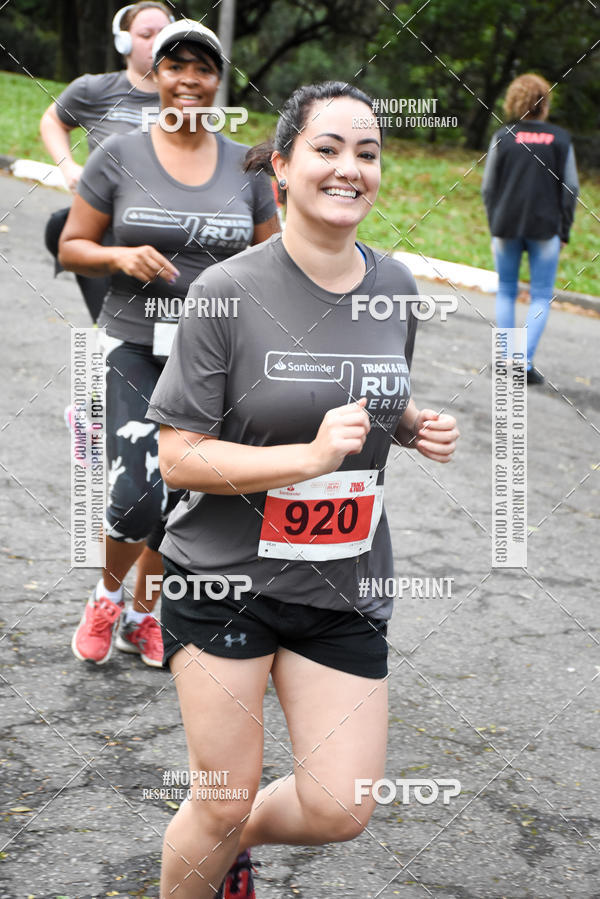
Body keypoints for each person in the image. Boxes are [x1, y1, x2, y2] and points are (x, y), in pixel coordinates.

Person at [146, 81, 459, 898]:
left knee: (341, 806)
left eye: (368, 152)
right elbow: (178, 457)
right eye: (327, 148)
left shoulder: (395, 283)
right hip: (226, 580)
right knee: (218, 798)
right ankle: (216, 838)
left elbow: (365, 391)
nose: (349, 167)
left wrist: (408, 421)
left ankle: (229, 841)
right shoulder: (225, 292)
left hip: (341, 579)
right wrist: (307, 458)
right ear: (282, 165)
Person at [59, 20, 280, 667]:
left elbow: (275, 258)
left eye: (203, 68)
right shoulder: (119, 156)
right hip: (134, 344)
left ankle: (144, 612)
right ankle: (106, 595)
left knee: (183, 500)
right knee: (137, 495)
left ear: (219, 81)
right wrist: (120, 257)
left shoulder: (246, 164)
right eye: (176, 66)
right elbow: (73, 244)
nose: (190, 79)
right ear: (155, 75)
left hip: (213, 357)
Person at [41, 1, 175, 323]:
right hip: (103, 232)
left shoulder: (186, 98)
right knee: (105, 324)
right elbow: (52, 121)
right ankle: (91, 373)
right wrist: (67, 166)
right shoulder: (93, 89)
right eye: (146, 34)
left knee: (160, 330)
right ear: (124, 42)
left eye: (164, 33)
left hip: (166, 234)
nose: (156, 41)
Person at [481, 73, 579, 384]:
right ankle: (522, 365)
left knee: (507, 291)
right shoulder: (560, 139)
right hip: (546, 229)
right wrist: (564, 228)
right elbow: (571, 187)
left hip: (505, 227)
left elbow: (488, 187)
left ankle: (505, 359)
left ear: (513, 100)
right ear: (545, 103)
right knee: (540, 295)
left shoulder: (503, 136)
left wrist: (494, 221)